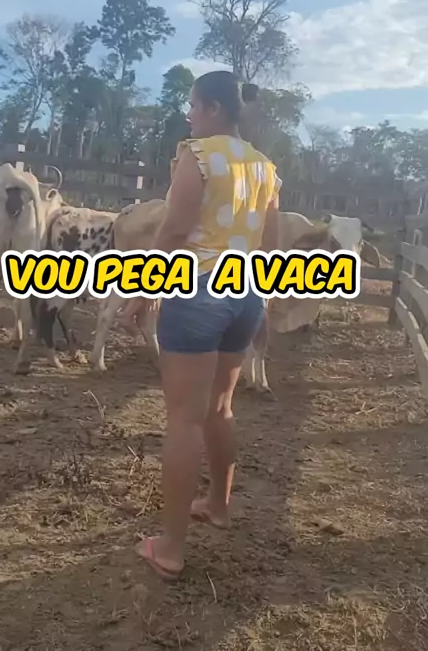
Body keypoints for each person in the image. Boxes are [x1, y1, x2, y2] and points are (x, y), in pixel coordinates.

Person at [124, 70, 281, 580]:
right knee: (220, 408)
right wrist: (264, 303)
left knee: (184, 419)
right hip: (245, 294)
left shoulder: (197, 155)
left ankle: (170, 549)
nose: (188, 115)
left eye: (192, 105)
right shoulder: (265, 168)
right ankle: (217, 505)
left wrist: (142, 289)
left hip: (198, 291)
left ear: (213, 108)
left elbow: (173, 230)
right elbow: (271, 245)